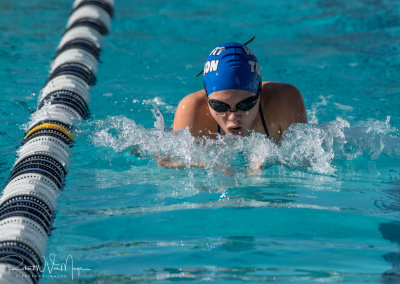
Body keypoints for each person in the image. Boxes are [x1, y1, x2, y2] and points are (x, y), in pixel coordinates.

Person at [173, 42, 307, 139]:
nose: (233, 116)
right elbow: (167, 162)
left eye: (245, 104)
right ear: (206, 97)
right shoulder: (192, 111)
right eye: (219, 106)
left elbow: (305, 161)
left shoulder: (283, 101)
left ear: (259, 91)